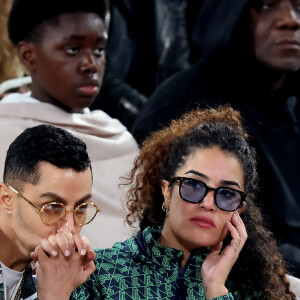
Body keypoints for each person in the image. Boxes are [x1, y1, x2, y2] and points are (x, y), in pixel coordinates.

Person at [132, 0, 300, 277]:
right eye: (267, 5)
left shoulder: (289, 98)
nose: (290, 20)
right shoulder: (185, 107)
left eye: (298, 6)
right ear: (229, 13)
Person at [67, 106, 296, 299]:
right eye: (194, 185)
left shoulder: (253, 287)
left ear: (239, 211)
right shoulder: (99, 271)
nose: (208, 203)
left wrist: (216, 289)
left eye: (226, 194)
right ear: (166, 191)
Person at [0, 0, 139, 249]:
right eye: (73, 50)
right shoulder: (4, 130)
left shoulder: (120, 140)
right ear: (28, 56)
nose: (90, 64)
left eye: (99, 49)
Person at [0, 124, 98, 300]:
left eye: (81, 208)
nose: (69, 229)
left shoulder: (61, 272)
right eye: (52, 207)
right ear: (6, 198)